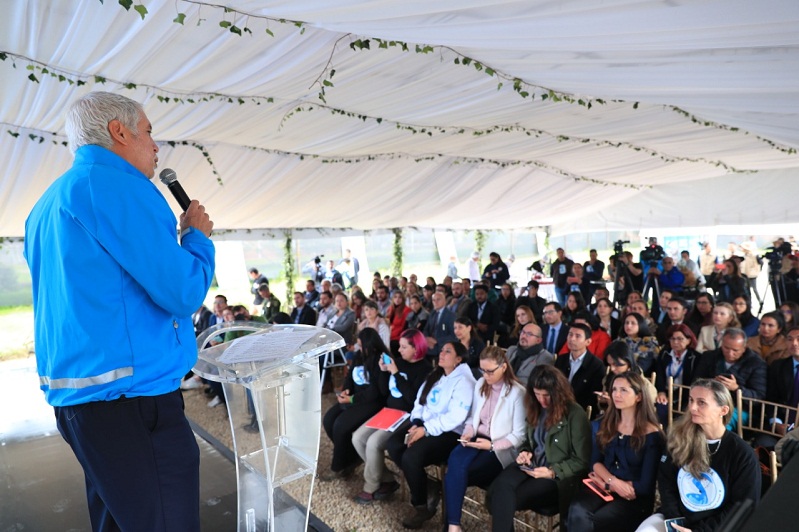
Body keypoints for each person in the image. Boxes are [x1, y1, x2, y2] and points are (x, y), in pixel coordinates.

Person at [24, 91, 215, 531]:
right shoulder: (119, 186)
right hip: (133, 402)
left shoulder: (47, 204)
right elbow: (183, 291)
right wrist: (197, 238)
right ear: (119, 131)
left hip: (84, 400)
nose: (155, 146)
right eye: (148, 132)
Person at [636, 380, 761, 532]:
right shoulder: (679, 438)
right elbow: (666, 483)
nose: (693, 407)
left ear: (723, 410)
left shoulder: (741, 453)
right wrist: (675, 521)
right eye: (691, 400)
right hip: (677, 519)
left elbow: (742, 506)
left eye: (701, 402)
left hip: (718, 526)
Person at [487, 365, 591, 530]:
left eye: (547, 395)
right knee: (497, 491)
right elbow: (529, 442)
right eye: (537, 394)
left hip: (556, 475)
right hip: (531, 464)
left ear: (558, 393)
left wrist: (552, 472)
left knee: (502, 500)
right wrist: (524, 452)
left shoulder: (575, 414)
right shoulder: (534, 406)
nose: (542, 400)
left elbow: (582, 461)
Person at [386, 342, 476, 529]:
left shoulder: (465, 382)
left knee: (411, 457)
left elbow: (455, 417)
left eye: (448, 351)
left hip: (450, 433)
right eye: (442, 350)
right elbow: (420, 401)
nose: (441, 353)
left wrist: (425, 430)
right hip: (426, 425)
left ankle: (421, 506)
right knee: (394, 444)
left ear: (458, 359)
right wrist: (417, 423)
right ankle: (428, 486)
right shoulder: (436, 375)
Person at [568, 372, 665, 532]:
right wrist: (611, 482)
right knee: (577, 509)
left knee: (597, 520)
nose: (616, 395)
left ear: (638, 396)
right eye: (614, 389)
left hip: (633, 496)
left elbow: (645, 486)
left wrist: (608, 483)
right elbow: (595, 463)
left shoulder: (652, 435)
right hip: (605, 484)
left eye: (623, 390)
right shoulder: (606, 424)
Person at [444, 347, 527, 531]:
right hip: (476, 438)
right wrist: (467, 431)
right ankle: (453, 525)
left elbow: (519, 435)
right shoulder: (481, 382)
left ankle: (451, 526)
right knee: (455, 464)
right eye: (483, 370)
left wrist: (491, 445)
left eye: (490, 371)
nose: (486, 375)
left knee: (455, 474)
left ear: (504, 367)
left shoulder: (517, 392)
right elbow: (473, 418)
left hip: (499, 448)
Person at [351, 329, 433, 503]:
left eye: (404, 347)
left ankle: (371, 486)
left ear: (416, 348)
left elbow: (413, 399)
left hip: (406, 416)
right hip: (388, 411)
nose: (399, 350)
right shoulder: (400, 362)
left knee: (373, 443)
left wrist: (395, 373)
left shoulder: (425, 370)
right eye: (400, 346)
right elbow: (385, 387)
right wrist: (384, 370)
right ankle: (387, 479)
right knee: (357, 438)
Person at [321, 328, 386, 481]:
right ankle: (350, 457)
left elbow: (375, 391)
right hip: (355, 398)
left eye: (361, 345)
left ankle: (338, 467)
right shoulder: (359, 356)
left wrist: (351, 399)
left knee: (340, 425)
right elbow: (350, 377)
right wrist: (346, 391)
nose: (358, 348)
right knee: (329, 420)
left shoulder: (380, 359)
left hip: (371, 403)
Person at [694, 328, 767, 400]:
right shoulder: (709, 356)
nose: (730, 353)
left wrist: (736, 388)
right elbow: (696, 381)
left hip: (739, 407)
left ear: (744, 348)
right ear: (722, 344)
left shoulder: (757, 364)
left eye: (735, 350)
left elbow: (758, 395)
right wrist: (712, 383)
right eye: (726, 348)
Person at [554, 323, 606, 416]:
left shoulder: (596, 365)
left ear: (588, 342)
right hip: (558, 407)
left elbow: (593, 396)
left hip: (580, 411)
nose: (572, 339)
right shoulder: (561, 359)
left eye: (578, 336)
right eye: (570, 334)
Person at [654, 324, 701, 408]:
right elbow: (659, 374)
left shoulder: (695, 357)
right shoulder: (664, 353)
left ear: (688, 340)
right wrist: (661, 392)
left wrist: (675, 397)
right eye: (672, 339)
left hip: (685, 395)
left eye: (680, 339)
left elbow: (693, 381)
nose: (675, 342)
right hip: (665, 392)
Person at [423, 292, 457, 359]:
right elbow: (426, 329)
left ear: (444, 301)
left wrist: (436, 341)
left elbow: (453, 336)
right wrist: (427, 339)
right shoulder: (432, 313)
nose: (435, 302)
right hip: (429, 344)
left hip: (442, 345)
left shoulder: (451, 316)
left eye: (438, 299)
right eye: (433, 300)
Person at [387, 290, 412, 355]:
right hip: (389, 335)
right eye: (395, 297)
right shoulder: (390, 309)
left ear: (403, 299)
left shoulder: (407, 310)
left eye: (400, 297)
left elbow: (403, 327)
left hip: (398, 337)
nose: (397, 299)